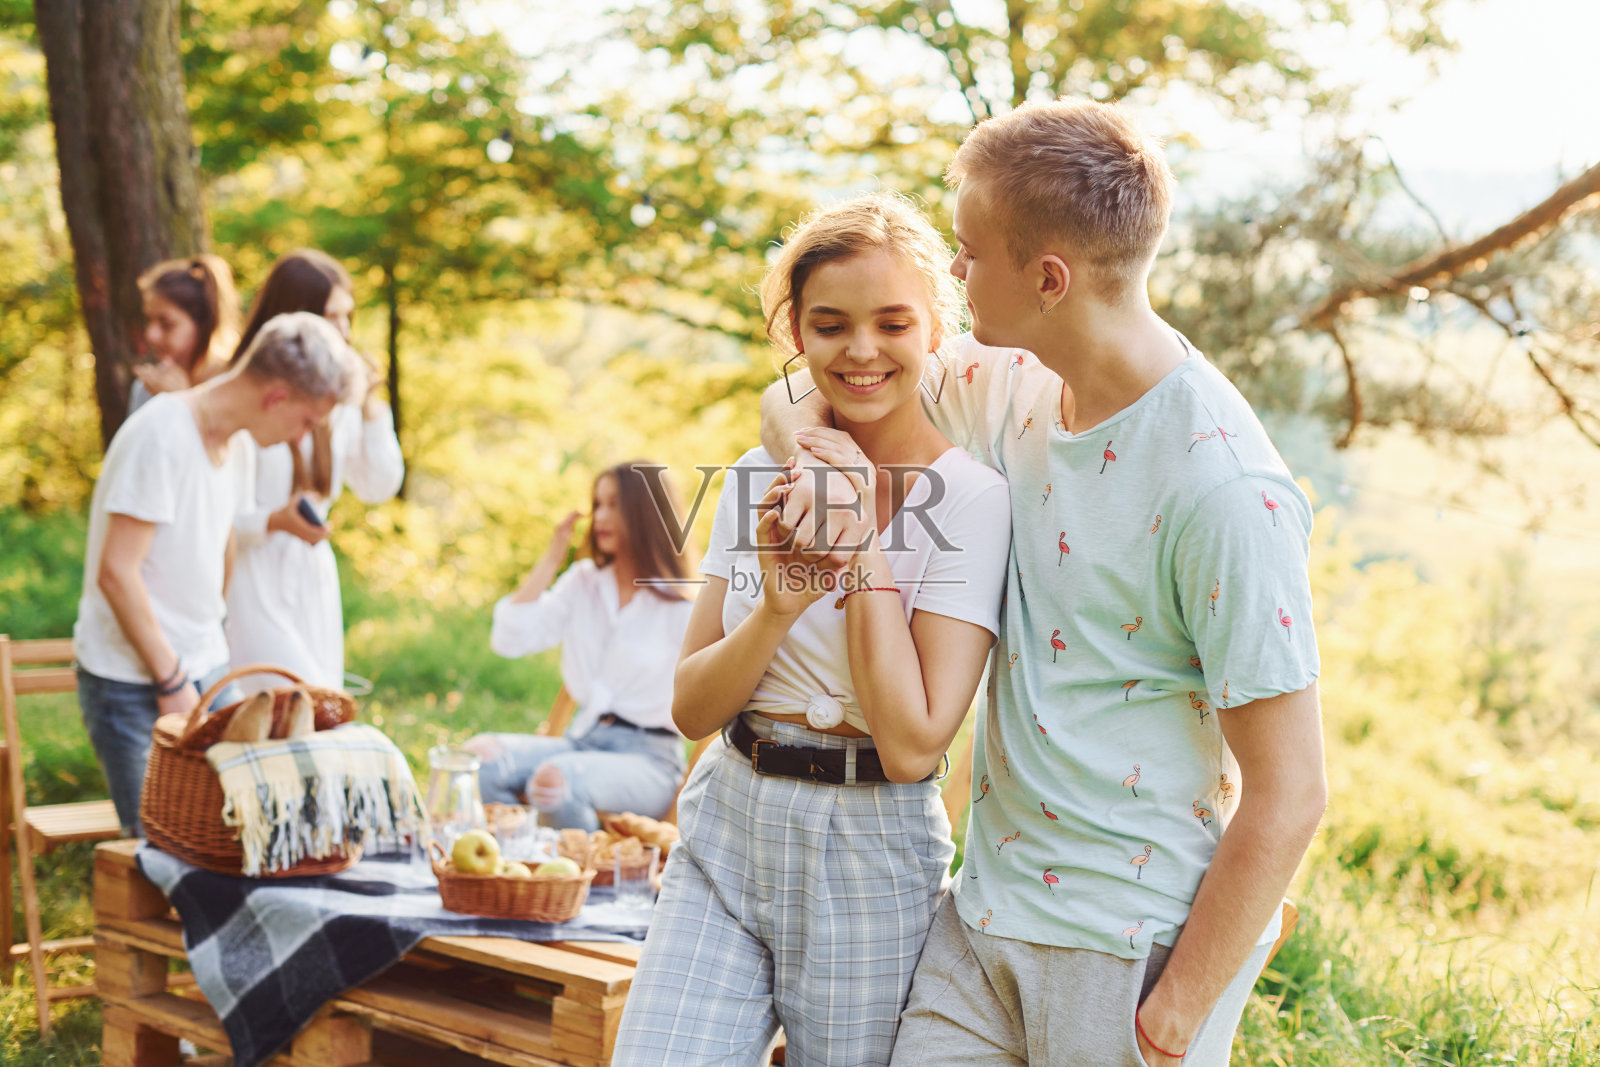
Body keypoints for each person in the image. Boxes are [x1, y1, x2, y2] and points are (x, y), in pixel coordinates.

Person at [762, 100, 1327, 1067]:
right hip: (980, 919)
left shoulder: (1224, 488)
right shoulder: (1013, 381)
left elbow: (1292, 791)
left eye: (970, 252)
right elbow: (804, 387)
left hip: (1125, 950)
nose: (958, 272)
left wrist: (1177, 1014)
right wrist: (825, 469)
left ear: (1048, 278)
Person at [613, 194, 1011, 1067]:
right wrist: (778, 607)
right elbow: (689, 704)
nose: (861, 351)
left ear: (936, 327)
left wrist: (862, 542)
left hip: (870, 845)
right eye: (830, 325)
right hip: (729, 820)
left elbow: (913, 746)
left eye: (892, 323)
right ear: (795, 331)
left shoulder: (974, 499)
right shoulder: (762, 472)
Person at [74, 311, 358, 836]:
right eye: (306, 421)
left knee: (244, 831)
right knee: (167, 848)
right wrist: (172, 678)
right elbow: (116, 572)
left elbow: (221, 538)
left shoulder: (238, 443)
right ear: (277, 397)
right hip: (134, 680)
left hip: (203, 665)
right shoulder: (161, 435)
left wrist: (213, 636)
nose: (302, 437)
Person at [463, 462, 696, 831]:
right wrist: (552, 559)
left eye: (614, 504)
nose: (600, 516)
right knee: (477, 759)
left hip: (649, 761)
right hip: (582, 741)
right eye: (597, 504)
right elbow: (508, 640)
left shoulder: (685, 606)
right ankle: (521, 868)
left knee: (554, 780)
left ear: (646, 512)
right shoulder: (585, 582)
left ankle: (578, 881)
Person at [224, 250, 404, 693]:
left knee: (320, 704)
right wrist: (272, 522)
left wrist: (370, 404)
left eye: (348, 317)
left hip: (311, 577)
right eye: (329, 317)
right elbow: (215, 518)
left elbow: (379, 484)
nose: (342, 331)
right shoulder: (249, 399)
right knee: (284, 699)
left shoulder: (337, 403)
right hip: (253, 576)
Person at [128, 255, 241, 412]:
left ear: (204, 323)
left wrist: (181, 399)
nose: (151, 335)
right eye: (149, 320)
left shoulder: (235, 385)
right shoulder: (146, 387)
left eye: (167, 325)